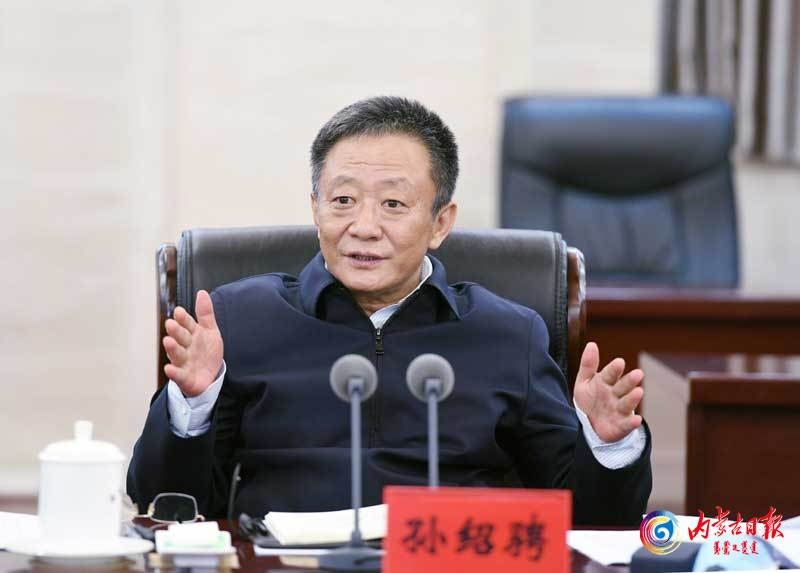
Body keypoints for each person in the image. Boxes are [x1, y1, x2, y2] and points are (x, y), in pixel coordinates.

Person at [127, 96, 651, 526]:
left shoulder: (509, 333)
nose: (364, 227)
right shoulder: (240, 319)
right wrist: (192, 404)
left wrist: (606, 446)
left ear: (440, 223)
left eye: (393, 205)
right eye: (343, 201)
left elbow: (587, 521)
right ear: (315, 209)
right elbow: (163, 504)